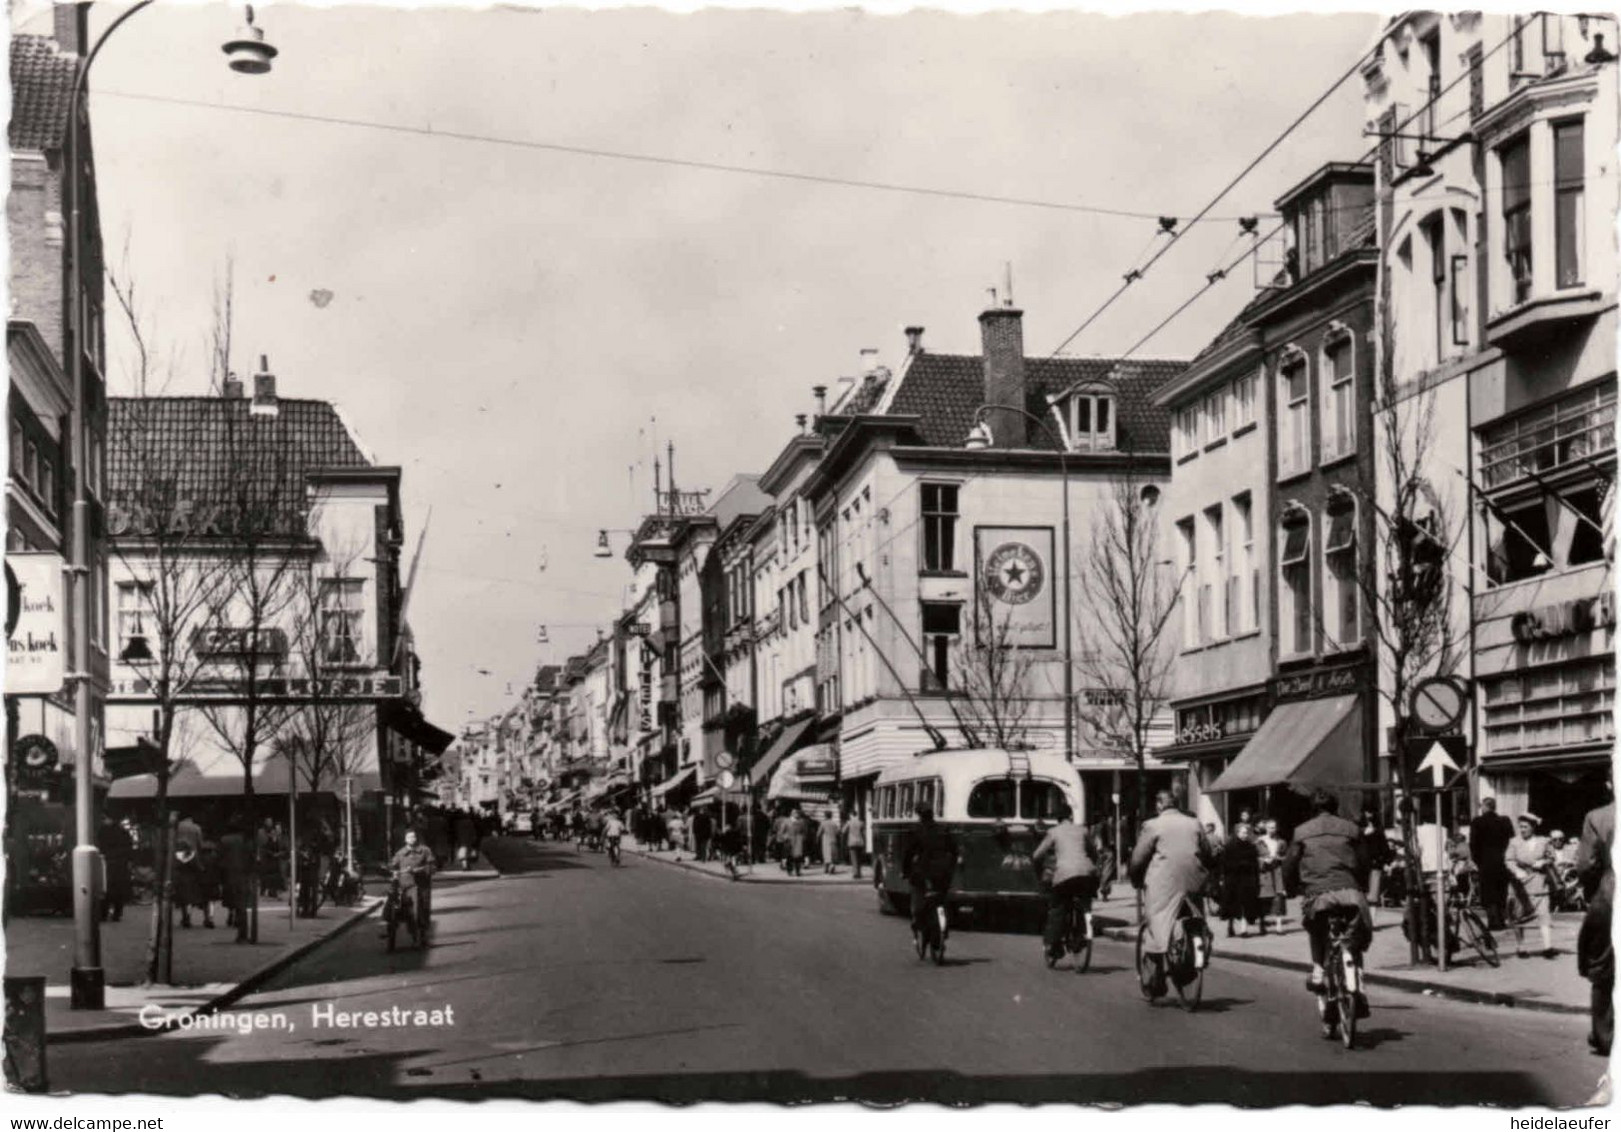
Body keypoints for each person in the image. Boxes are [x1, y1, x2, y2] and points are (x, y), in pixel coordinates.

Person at [1282, 790, 1372, 1000]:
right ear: (1335, 808)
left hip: (1318, 894)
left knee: (1317, 930)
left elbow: (1290, 864)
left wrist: (1290, 889)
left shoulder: (1301, 831)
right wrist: (1362, 886)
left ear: (1313, 809)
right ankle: (1359, 978)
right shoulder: (1352, 829)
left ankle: (1318, 971)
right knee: (1355, 936)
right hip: (1350, 892)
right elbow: (1364, 861)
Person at [1129, 789, 1213, 998]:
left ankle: (1155, 981)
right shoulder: (1194, 823)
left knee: (1155, 924)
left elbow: (1138, 858)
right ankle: (1195, 941)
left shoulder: (1152, 825)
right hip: (1194, 880)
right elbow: (1208, 853)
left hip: (1164, 884)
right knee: (1194, 914)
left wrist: (1136, 878)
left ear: (1159, 805)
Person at [1030, 803, 1099, 963]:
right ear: (1071, 817)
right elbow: (1093, 852)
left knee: (1058, 908)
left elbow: (1036, 855)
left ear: (1057, 819)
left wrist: (1039, 869)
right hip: (1087, 874)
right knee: (1085, 902)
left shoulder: (1054, 832)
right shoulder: (1083, 830)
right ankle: (1082, 933)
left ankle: (1054, 947)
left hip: (1065, 876)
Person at [1576, 797, 1613, 1057]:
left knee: (1603, 968)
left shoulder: (1597, 816)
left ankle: (1606, 1035)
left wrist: (1595, 892)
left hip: (1611, 895)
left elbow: (1587, 865)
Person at [901, 802, 957, 947]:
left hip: (922, 874)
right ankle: (943, 929)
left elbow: (908, 854)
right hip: (943, 874)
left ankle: (920, 927)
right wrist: (951, 867)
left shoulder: (916, 831)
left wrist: (905, 871)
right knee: (942, 901)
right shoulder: (944, 830)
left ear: (919, 815)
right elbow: (954, 851)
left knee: (917, 905)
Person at [1505, 812, 1555, 958]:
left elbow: (1551, 858)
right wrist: (1517, 870)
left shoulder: (1543, 841)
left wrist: (1544, 862)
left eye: (1525, 827)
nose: (1522, 830)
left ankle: (1548, 947)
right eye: (1520, 827)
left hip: (1539, 882)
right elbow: (1509, 860)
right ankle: (1521, 947)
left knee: (1543, 913)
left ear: (1533, 827)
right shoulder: (1514, 842)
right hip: (1520, 883)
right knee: (1518, 915)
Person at [1469, 797, 1515, 930]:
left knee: (1488, 892)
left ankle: (1493, 921)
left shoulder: (1477, 822)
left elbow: (1473, 844)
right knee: (1501, 890)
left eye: (1481, 806)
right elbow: (1511, 841)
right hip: (1503, 860)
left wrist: (1478, 861)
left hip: (1486, 862)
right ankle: (1501, 919)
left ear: (1484, 807)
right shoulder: (1505, 821)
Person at [389, 828, 436, 940]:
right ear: (405, 839)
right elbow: (392, 865)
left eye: (414, 837)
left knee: (423, 909)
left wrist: (419, 870)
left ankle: (423, 933)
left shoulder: (425, 851)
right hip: (406, 887)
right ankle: (411, 932)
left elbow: (432, 867)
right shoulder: (400, 853)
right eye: (409, 837)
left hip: (422, 887)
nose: (412, 839)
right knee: (404, 909)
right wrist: (391, 871)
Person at [1219, 823, 1263, 938]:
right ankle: (1230, 927)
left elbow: (1255, 864)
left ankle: (1243, 929)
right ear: (1237, 833)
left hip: (1246, 880)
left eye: (1246, 833)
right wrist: (1223, 877)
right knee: (1232, 903)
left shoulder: (1251, 847)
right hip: (1233, 879)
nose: (1245, 835)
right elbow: (1224, 863)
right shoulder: (1230, 846)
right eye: (1242, 833)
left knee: (1245, 904)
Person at [173, 814, 214, 929]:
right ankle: (207, 918)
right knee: (196, 893)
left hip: (179, 863)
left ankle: (185, 916)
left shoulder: (177, 827)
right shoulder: (196, 828)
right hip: (193, 862)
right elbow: (200, 845)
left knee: (183, 894)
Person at [218, 816, 254, 942]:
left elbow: (220, 857)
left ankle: (234, 919)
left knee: (231, 899)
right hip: (243, 874)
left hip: (229, 873)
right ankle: (243, 931)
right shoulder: (245, 840)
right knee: (242, 903)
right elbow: (251, 856)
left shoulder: (224, 840)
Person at [97, 814, 133, 924]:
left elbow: (100, 845)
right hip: (121, 864)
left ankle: (104, 913)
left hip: (108, 862)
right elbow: (129, 848)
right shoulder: (123, 832)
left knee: (106, 888)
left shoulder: (103, 831)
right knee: (119, 890)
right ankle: (117, 913)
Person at [1256, 818, 1287, 935]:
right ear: (1265, 828)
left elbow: (1285, 857)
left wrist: (1278, 858)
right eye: (1269, 827)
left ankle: (1279, 925)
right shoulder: (1259, 842)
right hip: (1264, 873)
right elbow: (1254, 857)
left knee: (1279, 897)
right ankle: (1262, 924)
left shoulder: (1281, 842)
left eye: (1274, 827)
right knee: (1263, 898)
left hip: (1277, 872)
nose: (1272, 830)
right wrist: (1263, 860)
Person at [843, 809, 866, 880]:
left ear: (851, 815)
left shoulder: (849, 823)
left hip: (852, 842)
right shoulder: (861, 823)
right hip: (860, 842)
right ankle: (859, 872)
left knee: (854, 858)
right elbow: (864, 832)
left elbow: (843, 831)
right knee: (859, 858)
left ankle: (855, 873)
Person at [785, 807, 809, 877]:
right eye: (795, 813)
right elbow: (782, 831)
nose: (796, 814)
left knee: (798, 857)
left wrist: (803, 838)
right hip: (789, 840)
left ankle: (798, 871)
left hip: (798, 841)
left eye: (797, 813)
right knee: (789, 856)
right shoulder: (787, 821)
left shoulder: (802, 822)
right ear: (791, 814)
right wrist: (785, 837)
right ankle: (789, 870)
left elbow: (805, 831)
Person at [818, 810, 842, 875]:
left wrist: (817, 838)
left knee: (826, 854)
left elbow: (819, 833)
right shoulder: (834, 823)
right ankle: (832, 865)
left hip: (826, 840)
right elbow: (838, 832)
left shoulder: (823, 823)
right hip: (833, 840)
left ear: (825, 816)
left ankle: (826, 868)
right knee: (832, 854)